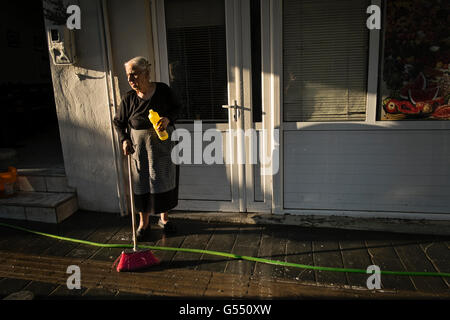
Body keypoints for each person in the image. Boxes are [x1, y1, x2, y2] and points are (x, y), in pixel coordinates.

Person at [113, 56, 181, 240]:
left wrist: (167, 119)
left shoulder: (163, 91)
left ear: (146, 73)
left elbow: (177, 108)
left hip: (163, 147)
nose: (130, 80)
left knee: (164, 181)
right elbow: (119, 122)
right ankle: (144, 223)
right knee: (142, 184)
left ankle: (164, 219)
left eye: (134, 75)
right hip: (140, 149)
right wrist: (124, 139)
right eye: (128, 76)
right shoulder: (129, 99)